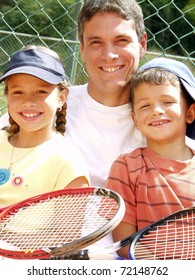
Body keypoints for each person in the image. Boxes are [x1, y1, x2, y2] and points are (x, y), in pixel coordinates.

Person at [0, 0, 147, 187]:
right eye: (96, 42)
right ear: (83, 49)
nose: (109, 55)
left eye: (121, 41)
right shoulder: (47, 105)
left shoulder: (159, 116)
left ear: (142, 44)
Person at [106, 57, 195, 259]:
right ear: (135, 120)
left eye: (168, 102)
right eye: (145, 106)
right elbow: (124, 242)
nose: (156, 111)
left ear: (190, 113)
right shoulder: (127, 167)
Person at [0, 45, 89, 209]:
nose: (28, 101)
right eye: (18, 92)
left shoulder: (68, 161)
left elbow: (68, 233)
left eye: (40, 92)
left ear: (61, 98)